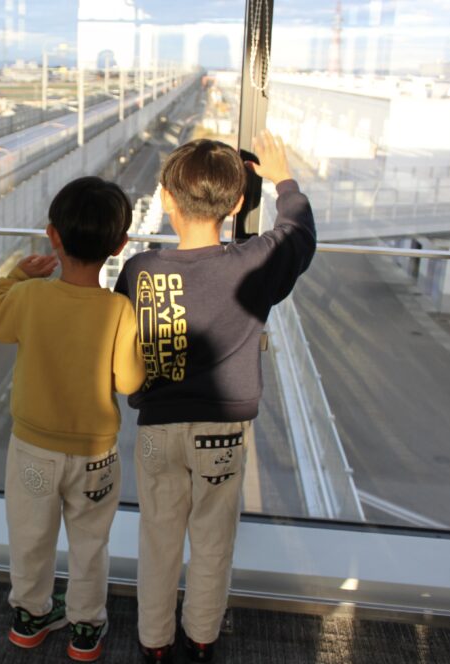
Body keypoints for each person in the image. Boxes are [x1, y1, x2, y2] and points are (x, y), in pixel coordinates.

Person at [114, 131, 316, 663]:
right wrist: (283, 178)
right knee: (212, 538)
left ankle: (154, 641)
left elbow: (125, 340)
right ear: (238, 203)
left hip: (158, 429)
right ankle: (201, 637)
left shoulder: (141, 270)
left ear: (166, 199)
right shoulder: (255, 263)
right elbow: (298, 233)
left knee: (158, 538)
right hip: (222, 433)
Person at [0, 176, 145, 662]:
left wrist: (17, 275)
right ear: (120, 245)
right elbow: (129, 382)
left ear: (53, 236)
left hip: (33, 450)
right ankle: (85, 628)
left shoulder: (30, 297)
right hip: (95, 455)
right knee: (90, 542)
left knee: (30, 537)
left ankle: (31, 617)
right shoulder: (120, 310)